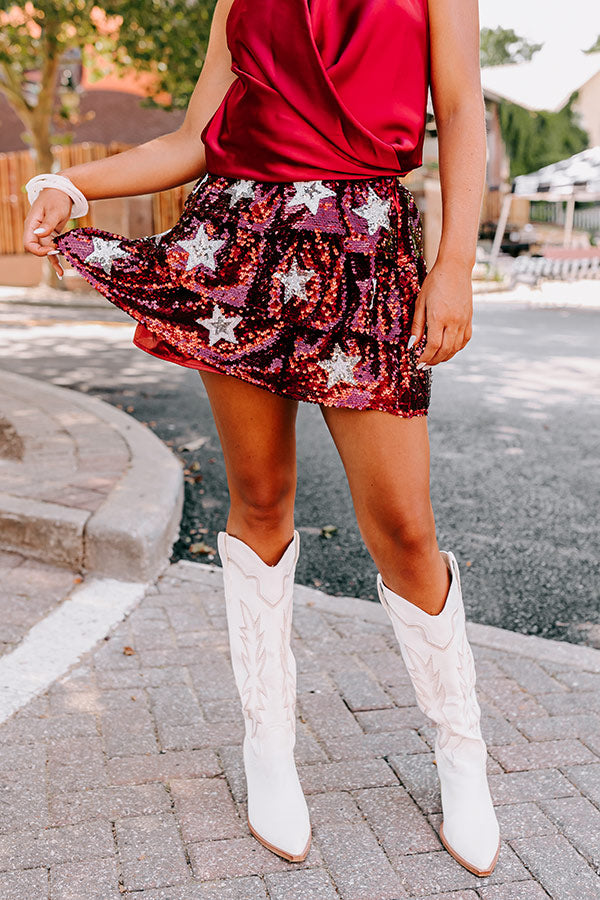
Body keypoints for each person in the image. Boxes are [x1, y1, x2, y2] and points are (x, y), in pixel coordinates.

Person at [22, 0, 500, 877]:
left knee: (403, 526)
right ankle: (268, 742)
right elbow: (197, 137)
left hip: (365, 250)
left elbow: (462, 107)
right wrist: (77, 184)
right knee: (262, 500)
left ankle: (460, 750)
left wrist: (456, 265)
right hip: (238, 246)